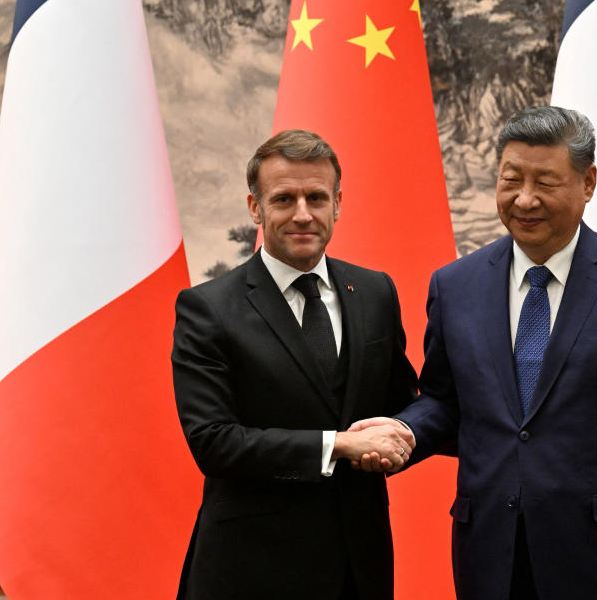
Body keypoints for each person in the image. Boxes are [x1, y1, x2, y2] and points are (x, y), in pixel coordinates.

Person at [352, 106, 597, 599]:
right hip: (492, 552)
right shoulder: (455, 286)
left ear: (588, 183)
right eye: (511, 180)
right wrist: (404, 431)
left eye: (545, 182)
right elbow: (446, 401)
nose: (525, 199)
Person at [172, 129, 417, 600]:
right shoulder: (208, 308)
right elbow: (213, 442)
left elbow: (401, 403)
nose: (303, 214)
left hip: (359, 568)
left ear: (337, 204)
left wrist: (404, 433)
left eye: (316, 197)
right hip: (251, 571)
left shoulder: (376, 292)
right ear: (255, 208)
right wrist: (339, 445)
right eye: (284, 199)